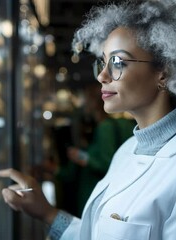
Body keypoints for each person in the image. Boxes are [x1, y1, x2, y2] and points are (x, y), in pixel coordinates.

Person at [0, 0, 176, 239]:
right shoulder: (128, 150)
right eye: (103, 62)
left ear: (165, 73)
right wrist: (46, 213)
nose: (102, 76)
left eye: (118, 63)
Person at [55, 83, 135, 217]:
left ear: (94, 102)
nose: (83, 104)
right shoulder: (117, 124)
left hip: (98, 197)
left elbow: (107, 164)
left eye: (86, 100)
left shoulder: (105, 128)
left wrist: (82, 157)